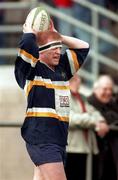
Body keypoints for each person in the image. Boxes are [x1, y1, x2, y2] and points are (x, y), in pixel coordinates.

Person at [14, 17, 89, 180]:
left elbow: (83, 47)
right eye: (52, 48)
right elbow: (26, 47)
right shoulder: (31, 71)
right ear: (40, 51)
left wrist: (58, 36)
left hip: (59, 139)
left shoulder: (62, 69)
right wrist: (30, 33)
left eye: (59, 48)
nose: (57, 52)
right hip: (42, 138)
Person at [65, 74, 109, 180]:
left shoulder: (83, 97)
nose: (79, 81)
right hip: (71, 149)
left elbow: (94, 112)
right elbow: (69, 118)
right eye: (75, 79)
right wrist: (94, 122)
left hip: (86, 148)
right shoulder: (62, 95)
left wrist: (101, 121)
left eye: (79, 78)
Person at [88, 75, 118, 180]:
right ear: (96, 89)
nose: (108, 92)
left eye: (110, 89)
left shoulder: (113, 105)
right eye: (105, 89)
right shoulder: (88, 103)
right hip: (95, 155)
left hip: (112, 155)